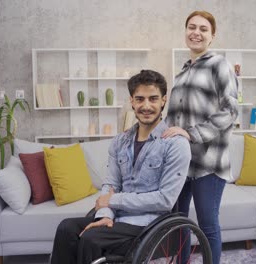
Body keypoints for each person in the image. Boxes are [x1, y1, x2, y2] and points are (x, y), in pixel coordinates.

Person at [50, 69, 191, 264]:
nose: (146, 106)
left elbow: (165, 200)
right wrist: (106, 215)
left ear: (163, 100)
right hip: (117, 219)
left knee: (92, 240)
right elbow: (111, 184)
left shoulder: (176, 144)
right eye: (140, 99)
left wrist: (113, 201)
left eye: (153, 99)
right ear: (132, 101)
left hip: (149, 225)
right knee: (66, 228)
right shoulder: (120, 141)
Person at [162, 10, 238, 264]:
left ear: (212, 36)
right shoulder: (182, 73)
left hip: (209, 164)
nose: (196, 32)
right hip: (180, 164)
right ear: (185, 31)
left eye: (203, 29)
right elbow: (172, 120)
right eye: (191, 27)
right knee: (177, 224)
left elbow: (230, 111)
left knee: (207, 226)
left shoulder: (220, 65)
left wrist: (191, 134)